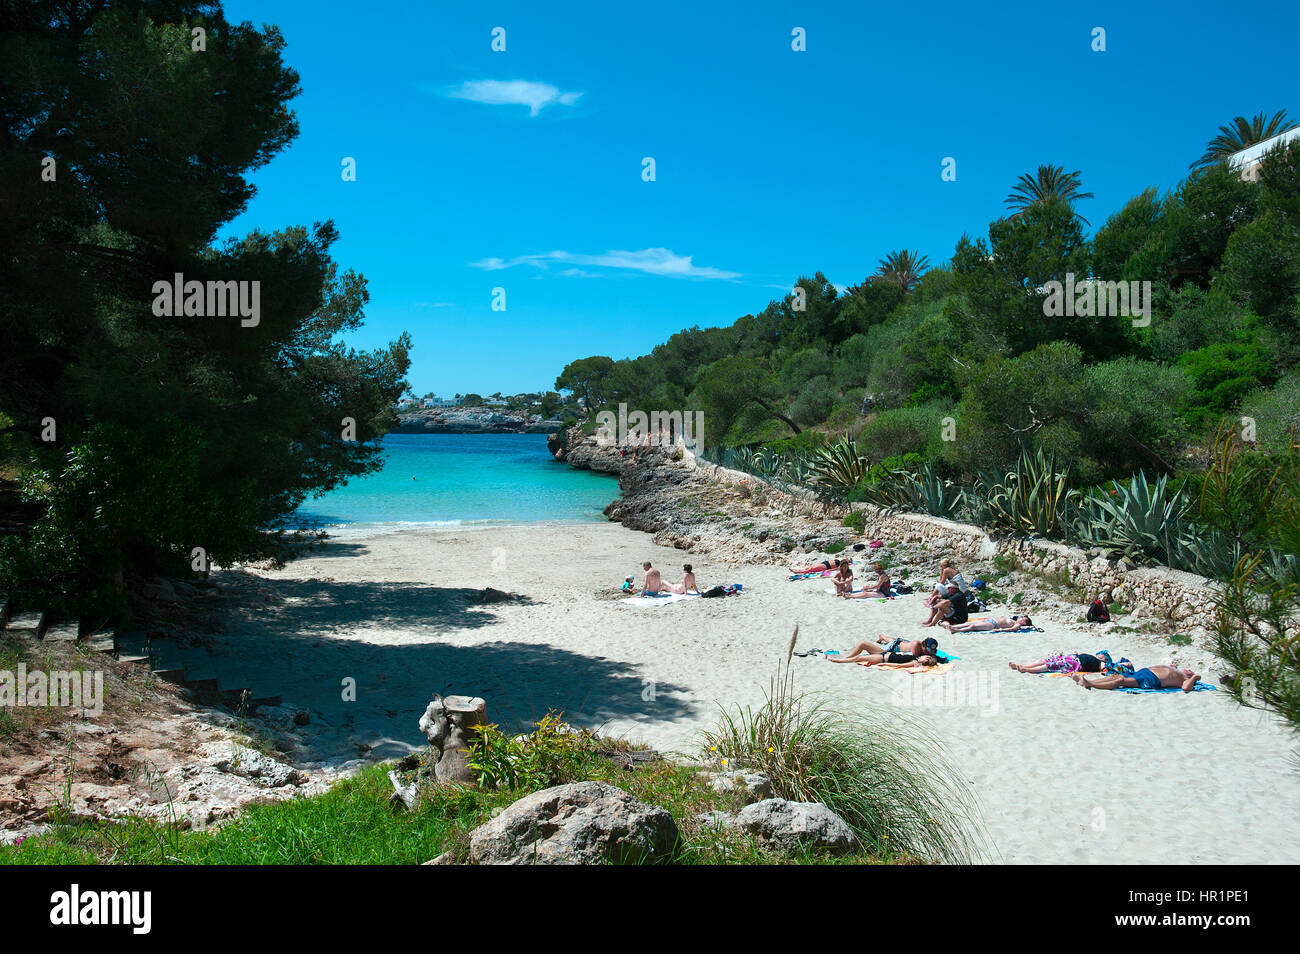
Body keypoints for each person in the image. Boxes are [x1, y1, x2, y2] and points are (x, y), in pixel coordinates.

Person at [1072, 664, 1201, 692]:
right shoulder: (1175, 668)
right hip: (1144, 672)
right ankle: (1087, 682)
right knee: (1115, 676)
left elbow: (1185, 688)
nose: (1188, 669)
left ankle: (1090, 684)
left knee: (1120, 681)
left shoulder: (1185, 679)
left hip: (1151, 680)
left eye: (1190, 670)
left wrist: (1194, 677)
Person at [830, 636, 940, 667]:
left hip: (892, 651)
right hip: (894, 647)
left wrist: (931, 656)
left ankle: (882, 636)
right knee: (891, 643)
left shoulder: (923, 653)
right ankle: (848, 657)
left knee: (893, 641)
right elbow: (914, 658)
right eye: (928, 650)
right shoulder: (916, 645)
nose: (928, 653)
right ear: (923, 645)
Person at [1009, 650, 1114, 674]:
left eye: (1102, 654)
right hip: (1071, 658)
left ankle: (1026, 669)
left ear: (1105, 659)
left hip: (1076, 664)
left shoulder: (1103, 663)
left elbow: (1106, 670)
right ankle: (1021, 665)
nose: (1099, 654)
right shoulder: (1095, 659)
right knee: (1043, 660)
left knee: (1050, 665)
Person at [942, 614, 1033, 633]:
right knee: (967, 623)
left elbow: (1011, 629)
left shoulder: (1018, 625)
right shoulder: (1014, 620)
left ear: (1024, 622)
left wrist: (1000, 630)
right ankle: (952, 626)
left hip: (993, 625)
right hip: (990, 620)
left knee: (972, 626)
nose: (1020, 618)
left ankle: (956, 630)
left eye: (1022, 619)